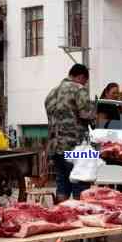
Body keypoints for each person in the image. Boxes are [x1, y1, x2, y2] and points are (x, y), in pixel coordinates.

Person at [45, 64, 96, 202]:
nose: (85, 84)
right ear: (81, 77)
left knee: (63, 184)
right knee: (81, 184)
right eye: (85, 81)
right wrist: (95, 116)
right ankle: (80, 218)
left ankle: (63, 216)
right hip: (75, 146)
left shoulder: (51, 93)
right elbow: (86, 114)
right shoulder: (79, 89)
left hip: (55, 147)